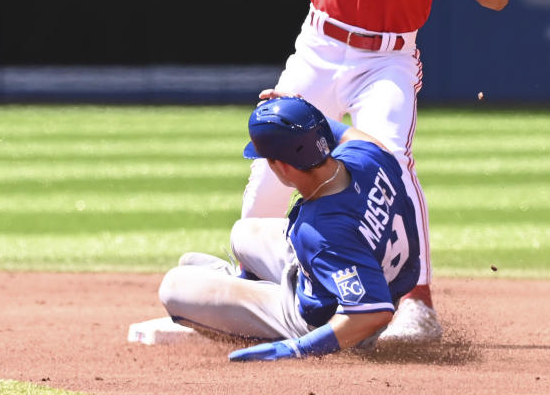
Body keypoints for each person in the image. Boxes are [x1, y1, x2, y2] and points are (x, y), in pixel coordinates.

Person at [240, 0, 514, 341]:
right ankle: (249, 288)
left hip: (387, 59)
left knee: (389, 162)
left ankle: (418, 303)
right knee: (271, 168)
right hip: (318, 46)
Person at [158, 95, 421, 360]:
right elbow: (342, 132)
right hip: (360, 269)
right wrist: (297, 114)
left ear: (282, 166)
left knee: (174, 287)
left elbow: (373, 313)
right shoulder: (367, 155)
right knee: (243, 233)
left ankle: (265, 313)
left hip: (334, 321)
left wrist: (297, 348)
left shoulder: (322, 231)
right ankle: (246, 291)